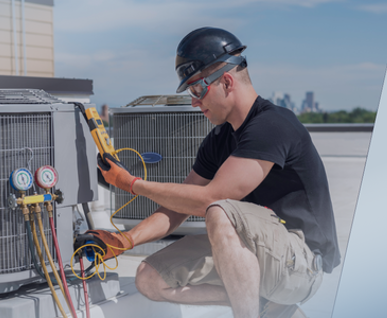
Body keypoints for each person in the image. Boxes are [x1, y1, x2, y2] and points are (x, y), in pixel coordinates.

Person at [76, 27, 341, 318]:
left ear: (226, 81)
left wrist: (132, 184)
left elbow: (209, 200)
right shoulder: (218, 140)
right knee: (150, 278)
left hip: (301, 262)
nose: (194, 101)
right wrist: (127, 240)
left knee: (219, 211)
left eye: (197, 89)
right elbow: (178, 209)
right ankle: (266, 308)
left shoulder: (273, 125)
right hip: (259, 255)